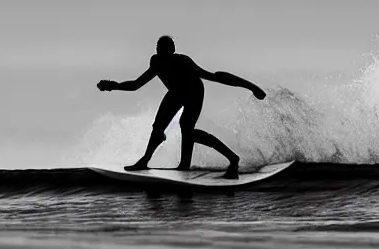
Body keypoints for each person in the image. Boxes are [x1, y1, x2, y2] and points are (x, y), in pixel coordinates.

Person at [97, 36, 266, 179]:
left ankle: (232, 159)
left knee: (187, 129)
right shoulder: (156, 62)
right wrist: (113, 85)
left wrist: (251, 87)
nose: (160, 52)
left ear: (172, 50)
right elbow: (136, 84)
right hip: (176, 93)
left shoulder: (184, 61)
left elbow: (214, 77)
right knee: (158, 127)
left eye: (164, 49)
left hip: (194, 92)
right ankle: (146, 160)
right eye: (158, 48)